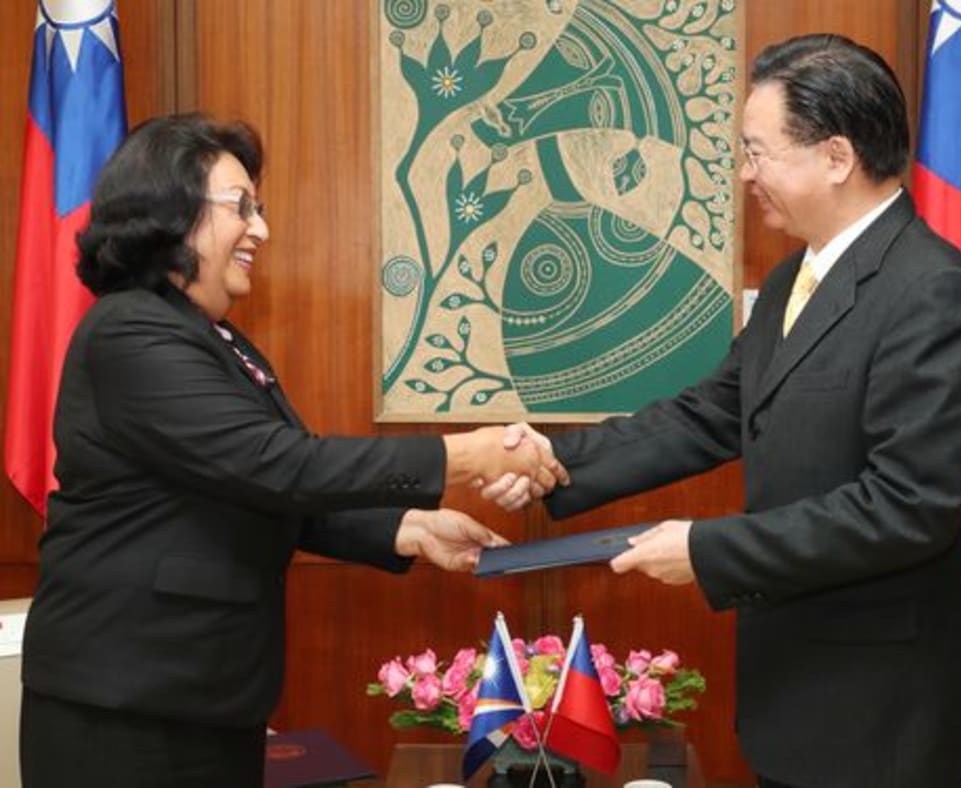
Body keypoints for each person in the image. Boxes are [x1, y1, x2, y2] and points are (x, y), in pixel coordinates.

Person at [485, 34, 961, 788]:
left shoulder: (932, 291)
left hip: (885, 722)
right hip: (796, 698)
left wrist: (706, 548)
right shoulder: (801, 274)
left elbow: (906, 506)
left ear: (835, 156)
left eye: (758, 153)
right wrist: (554, 461)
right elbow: (710, 415)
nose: (744, 174)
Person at [18, 113, 567, 788]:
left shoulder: (218, 340)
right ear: (170, 212)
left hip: (204, 695)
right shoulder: (129, 333)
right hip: (125, 707)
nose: (261, 230)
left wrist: (410, 530)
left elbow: (274, 489)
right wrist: (467, 456)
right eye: (240, 208)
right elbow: (278, 463)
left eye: (260, 208)